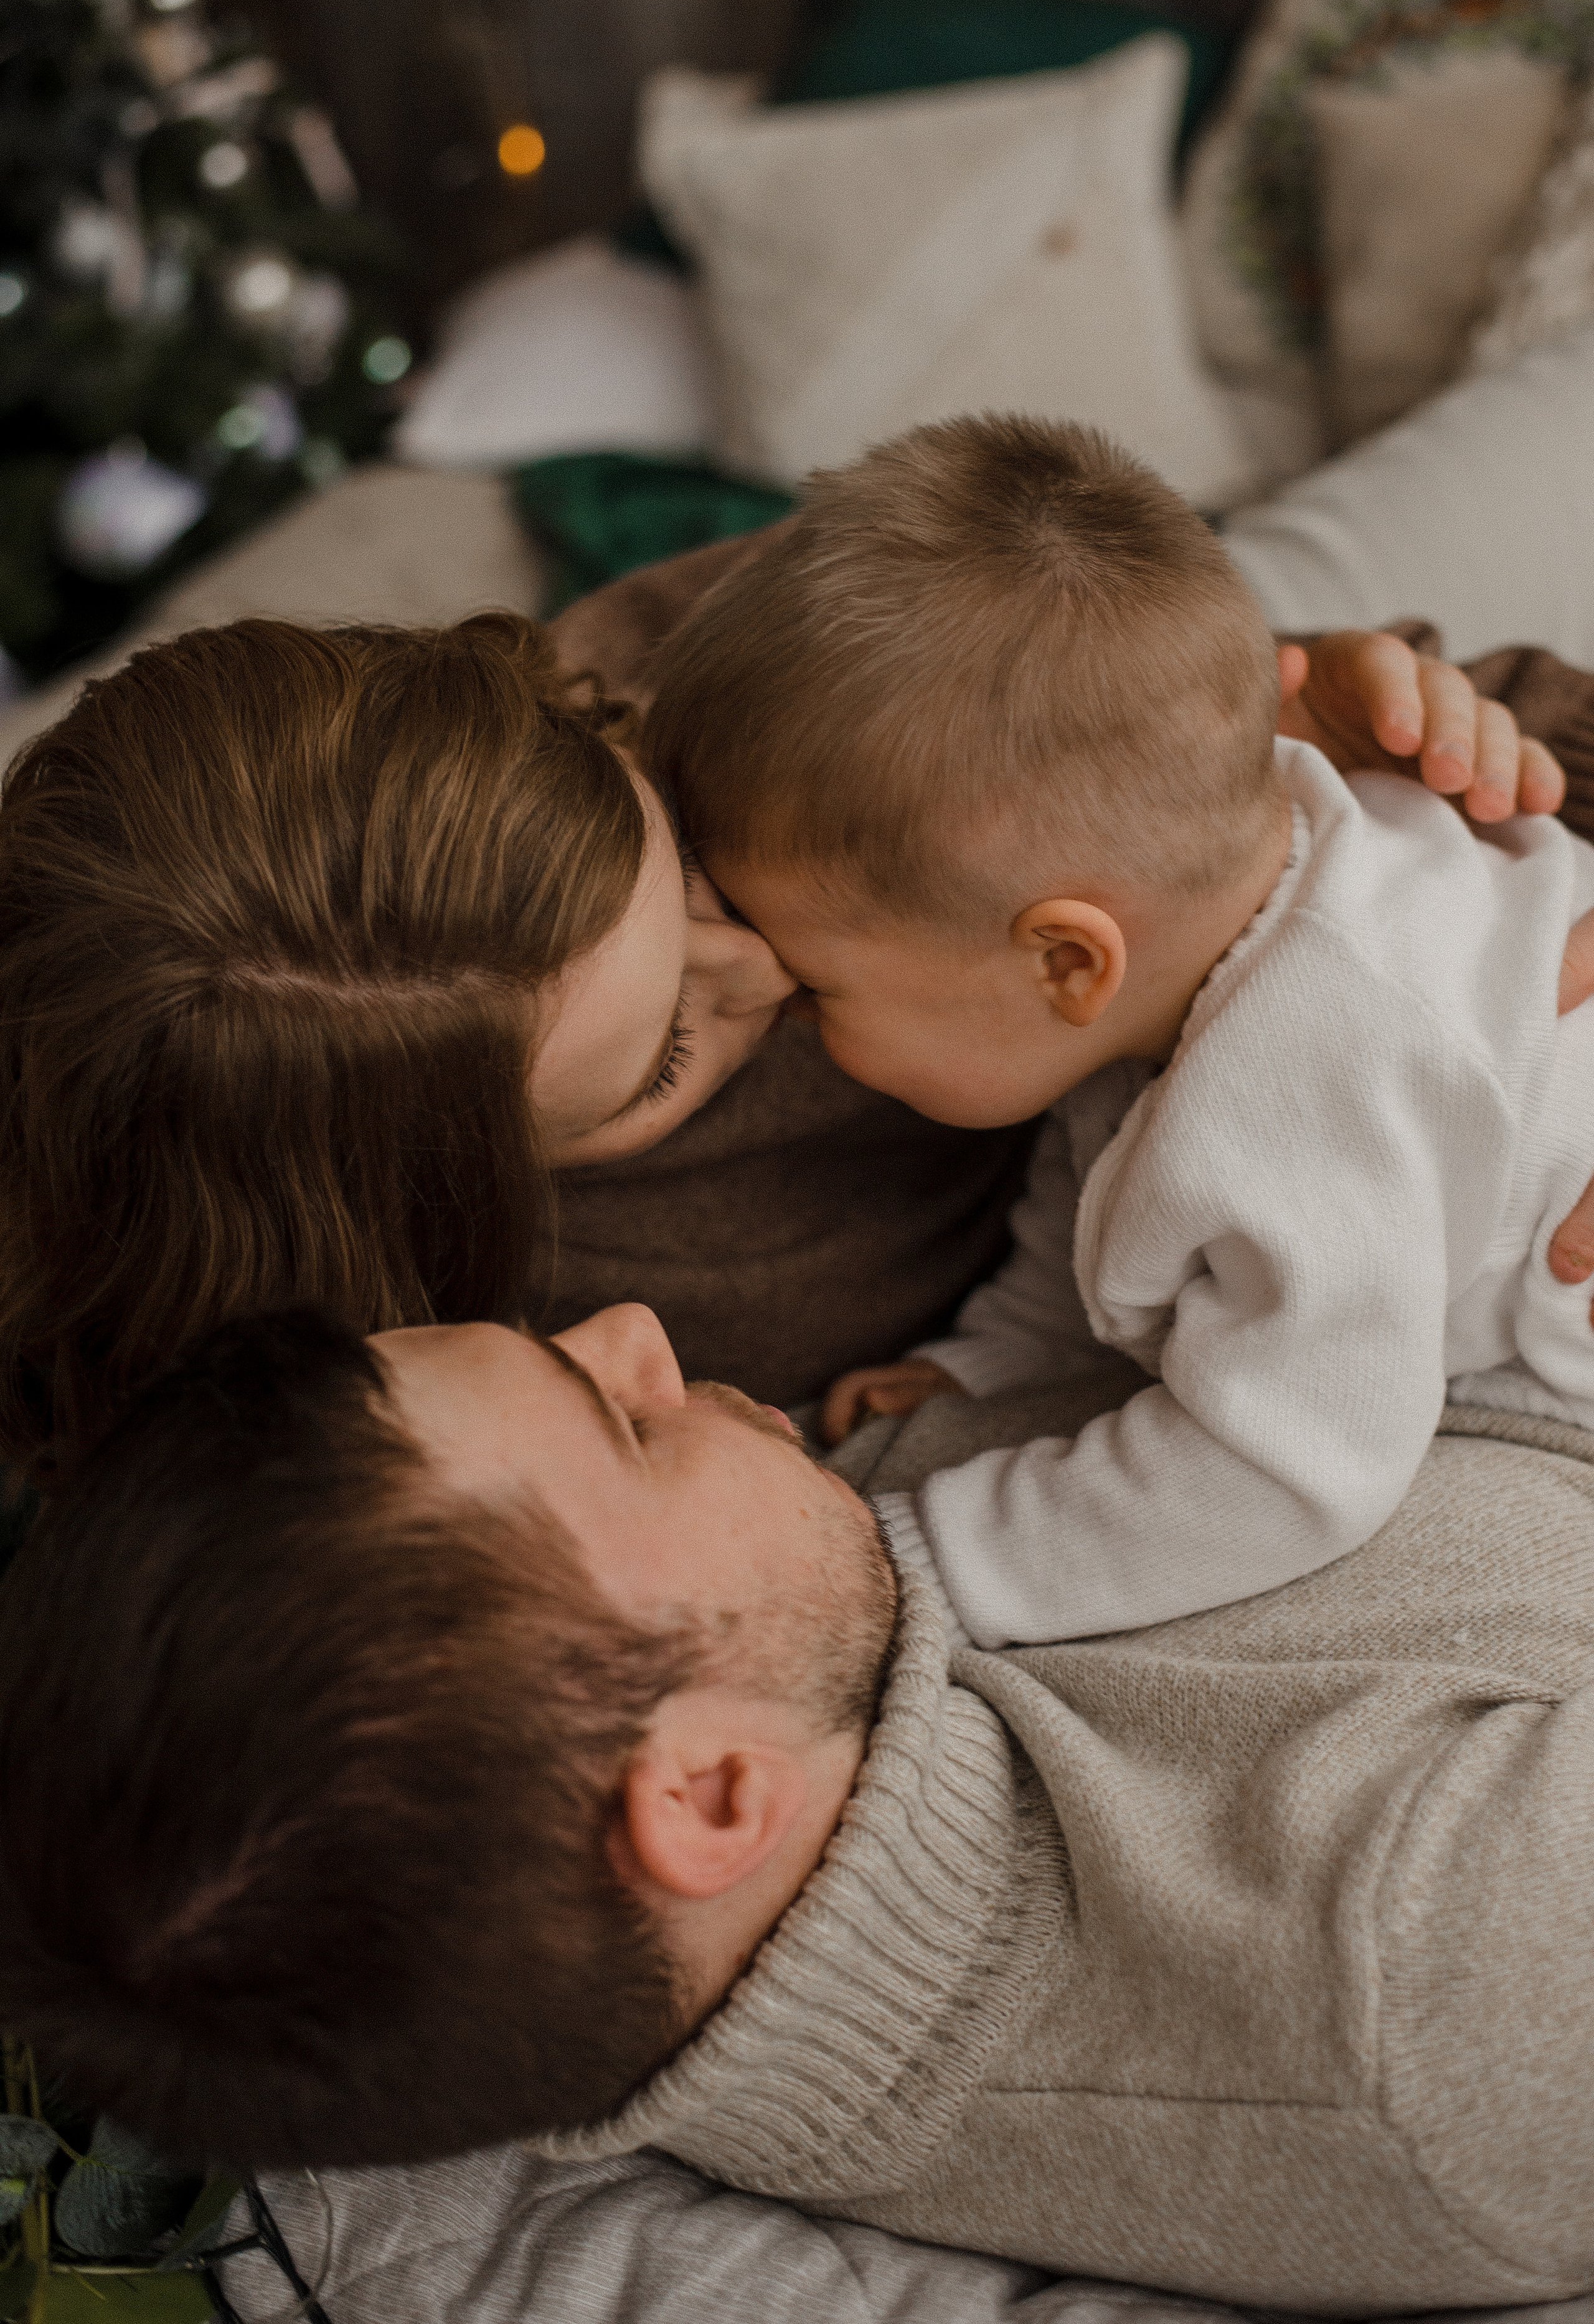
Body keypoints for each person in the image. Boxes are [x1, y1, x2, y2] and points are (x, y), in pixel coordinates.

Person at [6, 1299, 1594, 2320]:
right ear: (708, 1796)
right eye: (619, 1420)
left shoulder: (828, 1593)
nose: (634, 1324)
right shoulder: (1439, 1993)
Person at [0, 576, 1553, 1474]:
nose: (768, 959)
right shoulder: (499, 1366)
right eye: (663, 1053)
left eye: (676, 850)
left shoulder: (750, 683)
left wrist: (1381, 725)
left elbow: (1336, 773)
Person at [642, 415, 1594, 1646]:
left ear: (1065, 959)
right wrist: (986, 1364)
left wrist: (915, 1557)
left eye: (822, 988)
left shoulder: (1314, 1083)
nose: (790, 1018)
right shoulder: (1242, 893)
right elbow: (1112, 1200)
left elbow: (1284, 1474)